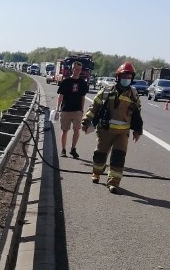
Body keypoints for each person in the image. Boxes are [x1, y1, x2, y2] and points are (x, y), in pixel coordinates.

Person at [81, 61, 144, 194]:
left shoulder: (133, 95)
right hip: (105, 130)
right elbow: (95, 107)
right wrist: (86, 121)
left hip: (122, 134)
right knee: (100, 156)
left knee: (118, 158)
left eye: (129, 77)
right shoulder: (107, 91)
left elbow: (137, 114)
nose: (126, 80)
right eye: (124, 77)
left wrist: (138, 131)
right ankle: (96, 173)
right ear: (118, 77)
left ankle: (113, 183)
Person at [56, 60, 90, 158]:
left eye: (79, 69)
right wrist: (57, 108)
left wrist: (82, 110)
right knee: (65, 130)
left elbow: (83, 97)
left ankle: (73, 149)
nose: (77, 71)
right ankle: (63, 150)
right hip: (66, 109)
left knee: (76, 130)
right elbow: (60, 96)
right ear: (72, 69)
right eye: (75, 69)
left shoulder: (83, 83)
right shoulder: (65, 82)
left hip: (77, 110)